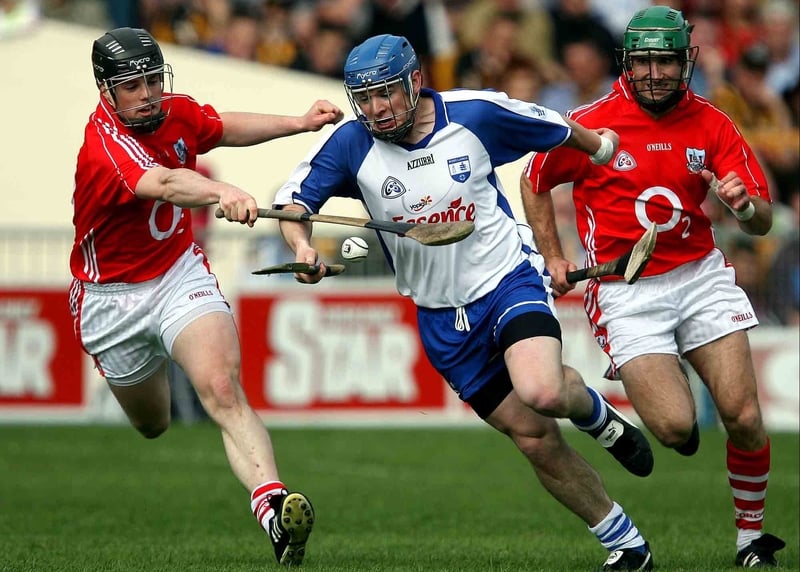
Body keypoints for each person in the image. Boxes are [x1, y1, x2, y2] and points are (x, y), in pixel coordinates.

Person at [273, 33, 655, 571]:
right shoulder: (351, 145)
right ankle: (626, 544)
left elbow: (549, 124)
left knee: (542, 390)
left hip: (506, 279)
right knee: (533, 438)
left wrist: (600, 147)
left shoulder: (475, 115)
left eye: (387, 93)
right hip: (440, 317)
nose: (378, 109)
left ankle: (599, 417)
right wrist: (303, 246)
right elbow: (293, 203)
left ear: (415, 82)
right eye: (366, 98)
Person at [521, 6, 787, 567]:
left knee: (742, 415)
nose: (654, 73)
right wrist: (552, 255)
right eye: (642, 61)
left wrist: (744, 206)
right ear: (627, 62)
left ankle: (751, 540)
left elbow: (763, 219)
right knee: (674, 428)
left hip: (699, 276)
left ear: (683, 61)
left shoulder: (713, 122)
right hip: (626, 291)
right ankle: (647, 412)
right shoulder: (593, 123)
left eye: (665, 60)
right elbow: (534, 178)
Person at [68, 27, 344, 566]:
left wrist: (298, 123)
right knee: (154, 424)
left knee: (221, 387)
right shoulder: (102, 145)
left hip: (176, 274)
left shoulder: (172, 111)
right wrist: (222, 191)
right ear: (106, 91)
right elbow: (167, 184)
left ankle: (273, 509)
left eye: (152, 79)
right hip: (110, 300)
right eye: (132, 85)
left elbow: (220, 126)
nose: (147, 93)